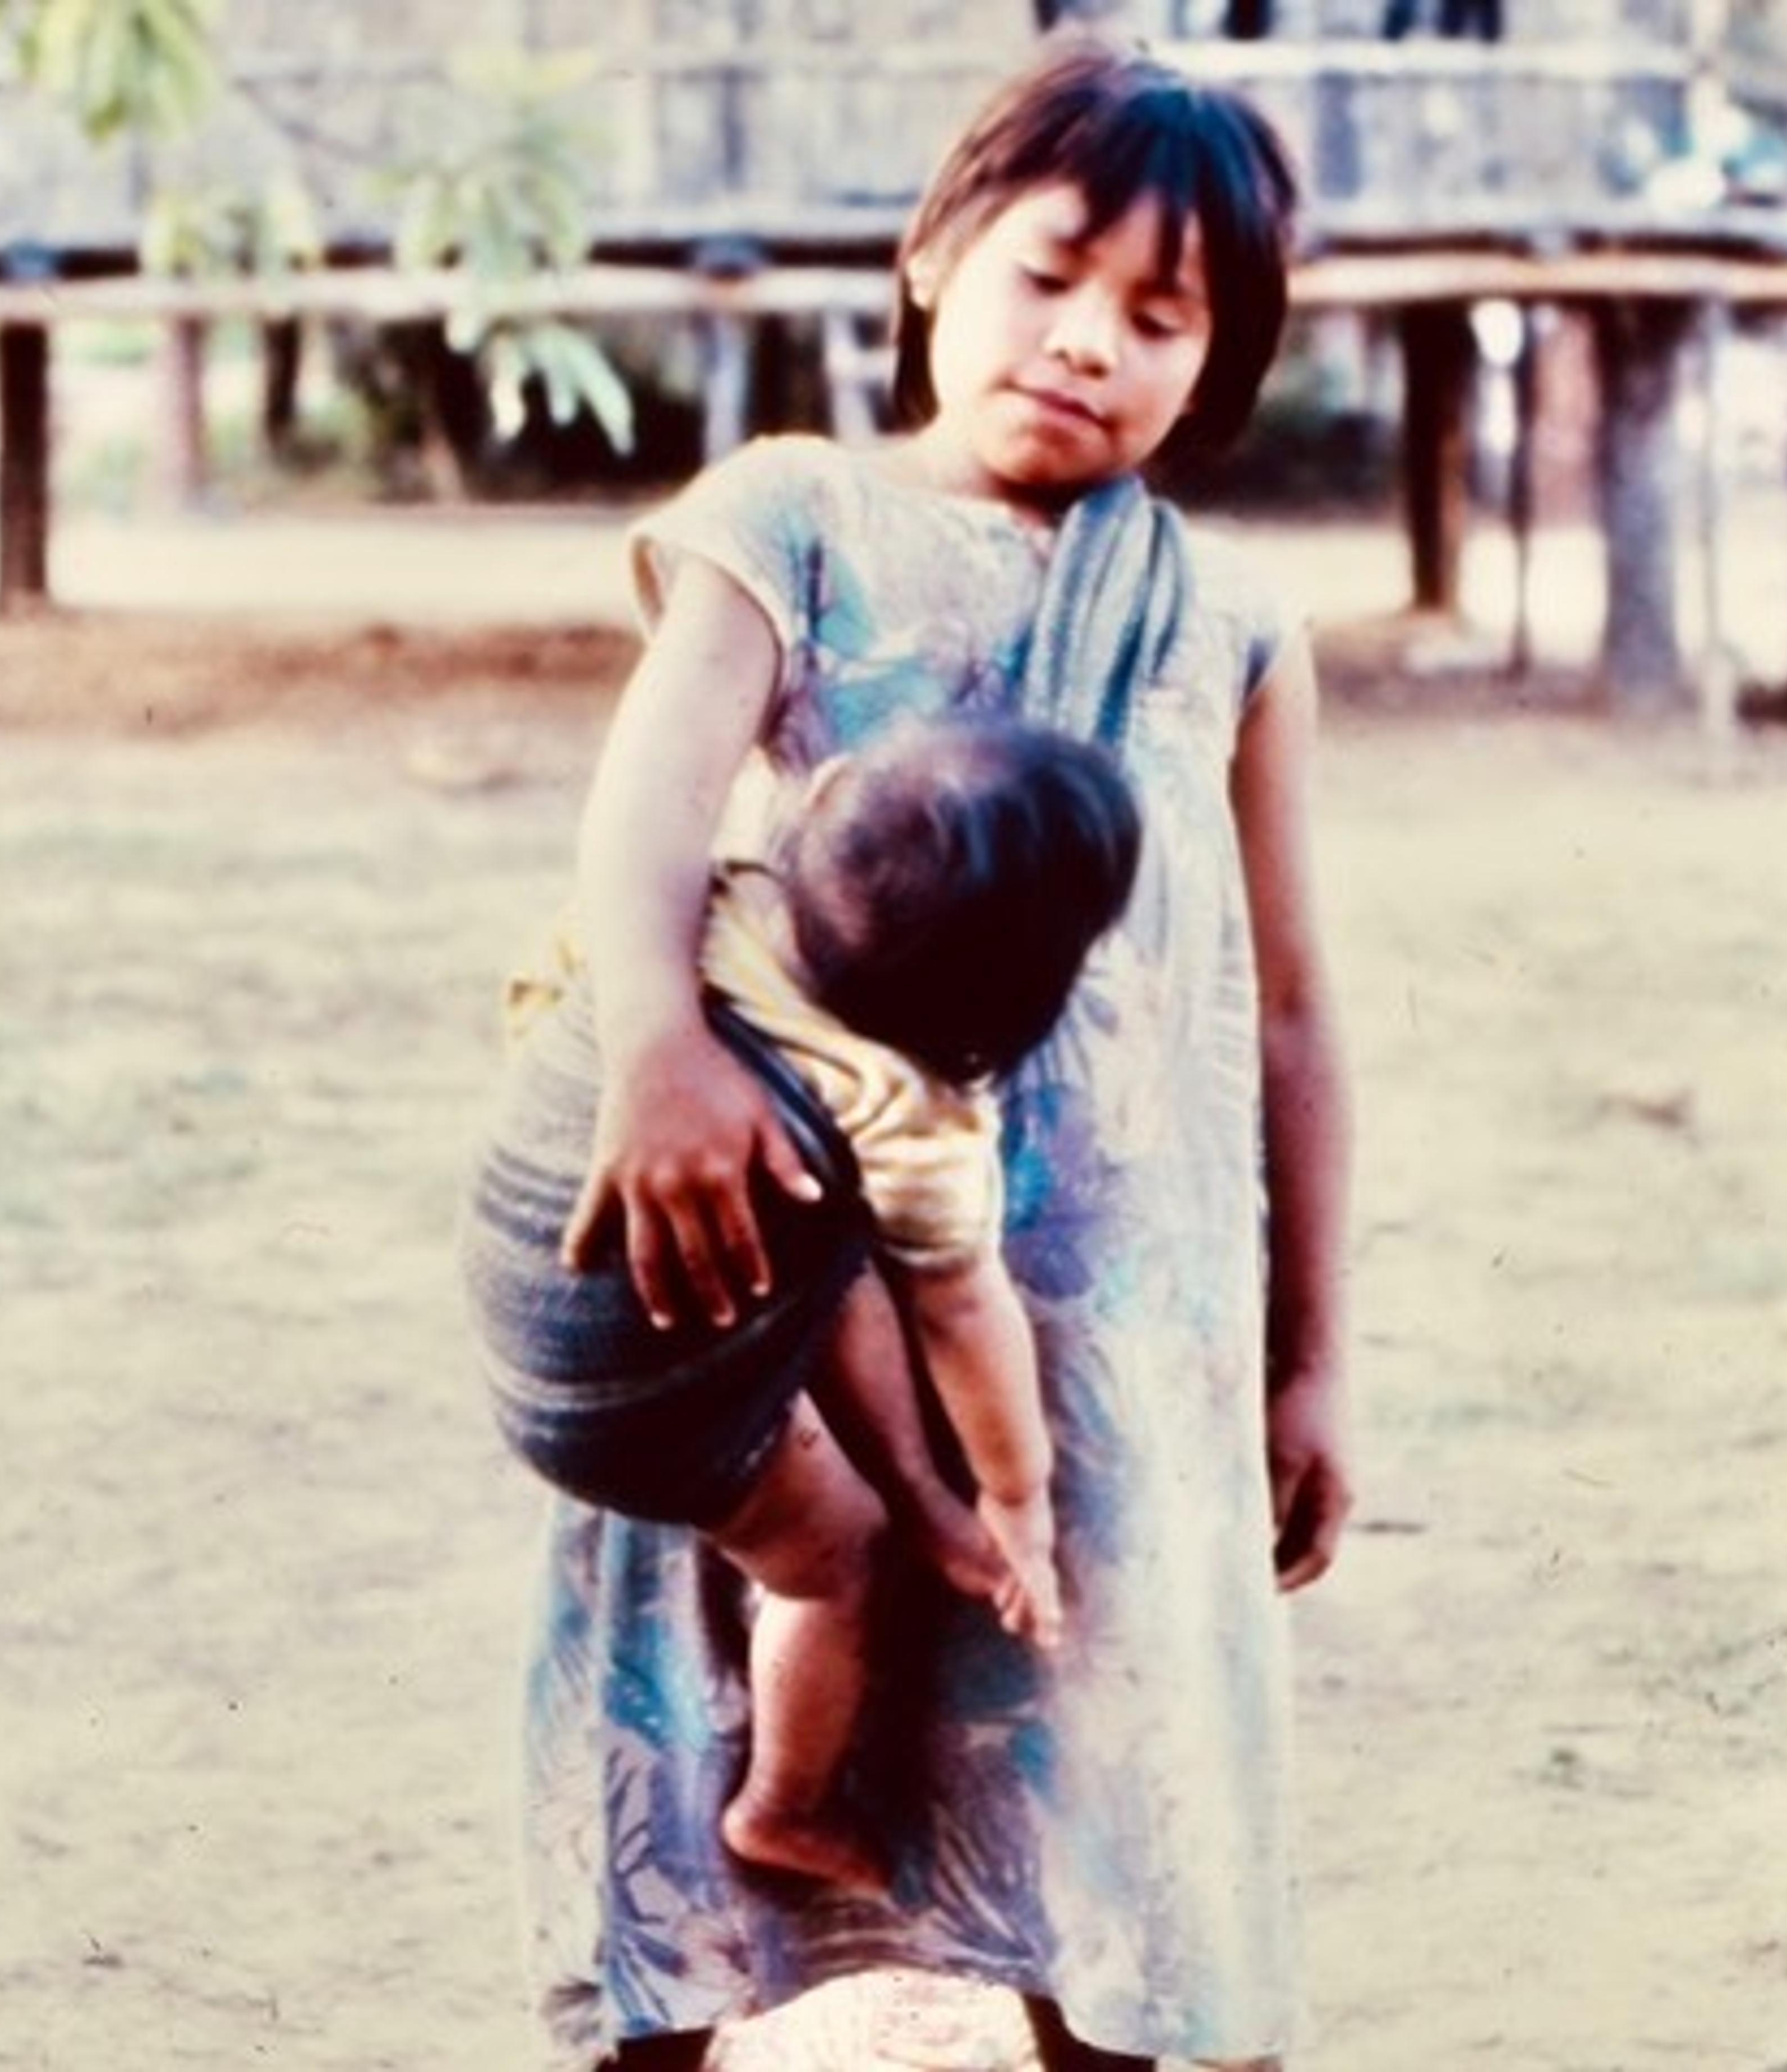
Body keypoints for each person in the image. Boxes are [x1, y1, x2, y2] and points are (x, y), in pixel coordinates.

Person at [514, 31, 1354, 2072]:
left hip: (1115, 1325)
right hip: (793, 1264)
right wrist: (656, 1050)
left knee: (1112, 1822)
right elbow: (645, 808)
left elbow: (1302, 1008)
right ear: (931, 252)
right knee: (717, 1699)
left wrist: (1312, 1346)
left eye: (1163, 320)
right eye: (1050, 275)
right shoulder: (789, 518)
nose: (1088, 344)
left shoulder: (1225, 617)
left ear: (1216, 365)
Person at [467, 712, 1144, 1892]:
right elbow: (960, 1310)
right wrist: (1017, 1492)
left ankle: (916, 1497)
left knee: (832, 1246)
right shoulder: (899, 1102)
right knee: (832, 1559)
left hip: (525, 1285)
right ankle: (785, 1803)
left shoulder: (703, 912)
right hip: (635, 1398)